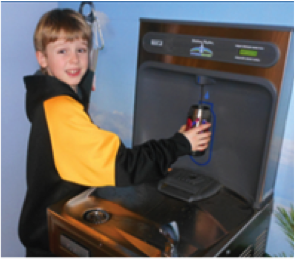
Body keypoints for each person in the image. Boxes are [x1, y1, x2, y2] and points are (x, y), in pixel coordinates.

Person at [18, 8, 211, 257]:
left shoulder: (47, 96)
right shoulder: (62, 112)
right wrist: (180, 144)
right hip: (51, 239)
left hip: (45, 222)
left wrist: (83, 84)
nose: (74, 60)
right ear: (43, 59)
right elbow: (123, 164)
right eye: (62, 51)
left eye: (81, 50)